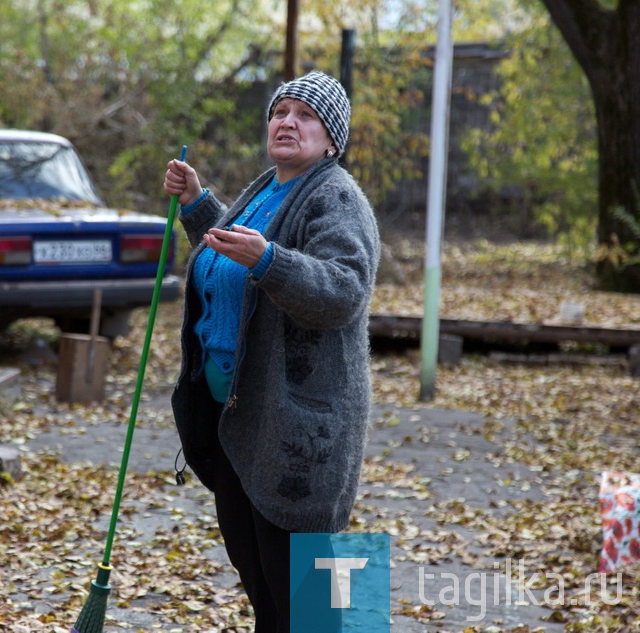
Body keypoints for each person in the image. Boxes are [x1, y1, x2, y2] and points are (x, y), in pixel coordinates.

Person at [163, 71, 380, 632]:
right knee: (263, 587)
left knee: (310, 603)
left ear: (332, 138)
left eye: (305, 115)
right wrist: (199, 205)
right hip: (242, 424)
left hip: (300, 434)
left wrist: (270, 261)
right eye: (280, 112)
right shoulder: (266, 188)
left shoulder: (336, 196)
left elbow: (344, 290)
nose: (287, 121)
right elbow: (239, 257)